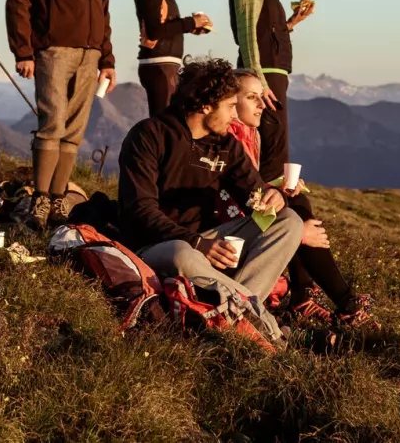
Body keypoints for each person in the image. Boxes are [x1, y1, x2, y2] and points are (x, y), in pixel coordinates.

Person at [118, 57, 302, 341]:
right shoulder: (149, 135)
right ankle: (262, 326)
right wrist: (196, 243)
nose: (234, 115)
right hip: (155, 244)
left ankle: (232, 315)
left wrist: (275, 198)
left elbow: (254, 195)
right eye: (230, 106)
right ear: (205, 106)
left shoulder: (225, 146)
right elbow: (140, 210)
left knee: (288, 221)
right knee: (183, 254)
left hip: (207, 239)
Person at [227, 71, 375, 328]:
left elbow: (248, 186)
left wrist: (279, 187)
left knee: (298, 203)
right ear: (230, 101)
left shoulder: (250, 134)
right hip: (228, 233)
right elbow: (235, 198)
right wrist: (298, 232)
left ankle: (305, 297)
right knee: (295, 214)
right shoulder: (229, 138)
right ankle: (343, 303)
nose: (263, 105)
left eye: (261, 97)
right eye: (253, 98)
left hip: (243, 217)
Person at [6, 0, 116, 227]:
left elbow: (104, 10)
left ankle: (57, 202)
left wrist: (107, 59)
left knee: (74, 130)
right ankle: (39, 199)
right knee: (52, 123)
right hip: (52, 49)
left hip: (91, 54)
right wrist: (23, 50)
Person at [229, 0, 314, 182]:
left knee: (276, 143)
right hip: (264, 74)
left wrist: (291, 22)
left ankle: (274, 207)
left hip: (271, 72)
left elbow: (265, 32)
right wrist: (259, 82)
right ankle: (269, 210)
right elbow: (247, 34)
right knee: (273, 146)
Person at [127, 0, 213, 117]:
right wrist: (191, 23)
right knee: (165, 124)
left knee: (168, 123)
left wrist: (191, 27)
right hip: (159, 63)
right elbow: (155, 30)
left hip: (163, 63)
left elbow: (160, 25)